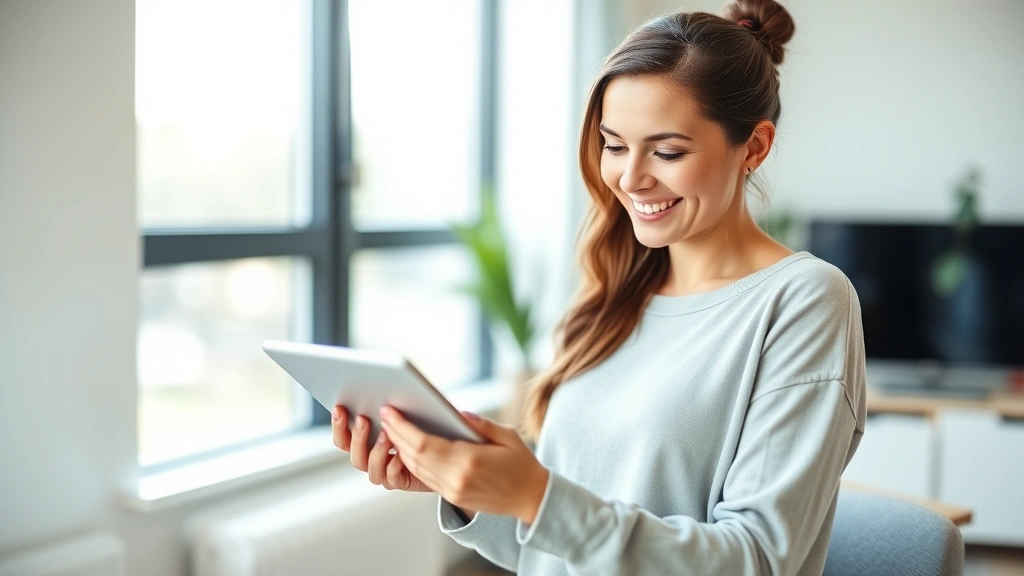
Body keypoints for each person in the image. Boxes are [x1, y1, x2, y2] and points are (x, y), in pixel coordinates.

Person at [332, 0, 866, 573]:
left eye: (666, 151)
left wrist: (536, 496)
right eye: (614, 144)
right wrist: (470, 486)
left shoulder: (804, 301)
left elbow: (755, 559)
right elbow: (557, 545)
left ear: (754, 147)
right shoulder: (618, 292)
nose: (630, 178)